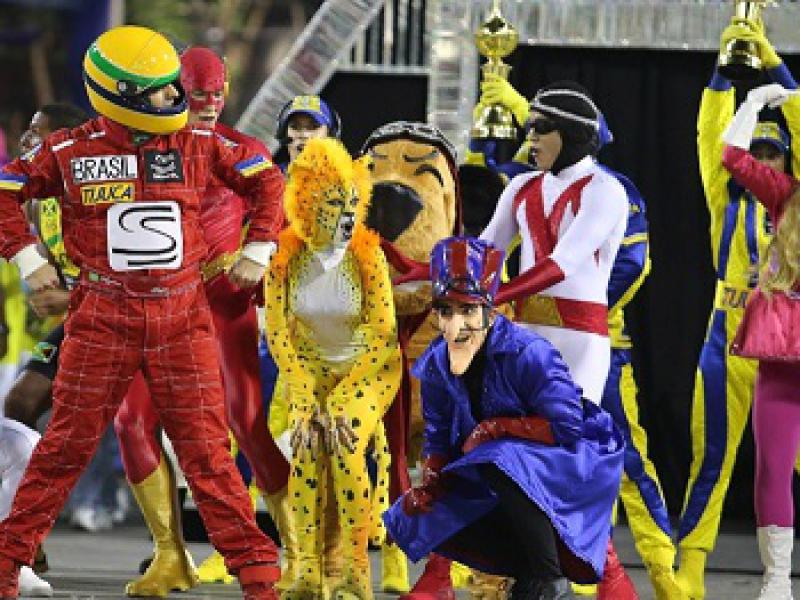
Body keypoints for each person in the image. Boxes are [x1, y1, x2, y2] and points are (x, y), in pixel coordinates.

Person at [0, 25, 284, 599]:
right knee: (64, 449)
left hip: (182, 319)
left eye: (172, 86)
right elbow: (6, 187)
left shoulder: (197, 142)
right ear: (120, 92)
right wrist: (27, 259)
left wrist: (259, 248)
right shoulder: (68, 150)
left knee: (207, 452)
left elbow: (267, 180)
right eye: (160, 90)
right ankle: (7, 564)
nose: (174, 97)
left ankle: (259, 576)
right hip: (101, 319)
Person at [474, 76, 683, 599]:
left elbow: (563, 263)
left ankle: (592, 578)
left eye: (540, 128)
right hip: (524, 336)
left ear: (569, 134)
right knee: (506, 456)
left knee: (568, 463)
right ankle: (542, 571)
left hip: (581, 342)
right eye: (529, 127)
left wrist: (491, 294)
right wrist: (433, 270)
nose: (529, 138)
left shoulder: (608, 190)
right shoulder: (521, 187)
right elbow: (484, 249)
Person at [110, 45, 291, 597]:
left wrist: (259, 251)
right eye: (197, 94)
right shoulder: (142, 148)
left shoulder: (242, 150)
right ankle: (171, 555)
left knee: (246, 422)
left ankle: (301, 553)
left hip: (222, 302)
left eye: (217, 94)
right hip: (157, 304)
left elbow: (276, 202)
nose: (209, 104)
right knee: (130, 422)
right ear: (172, 92)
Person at [383, 236, 624, 600]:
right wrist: (430, 484)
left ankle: (549, 579)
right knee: (409, 515)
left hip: (575, 462)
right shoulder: (436, 363)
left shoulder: (529, 353)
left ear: (490, 311)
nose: (455, 325)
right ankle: (524, 575)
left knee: (499, 457)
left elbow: (568, 426)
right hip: (501, 467)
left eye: (468, 311)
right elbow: (438, 437)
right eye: (445, 311)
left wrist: (497, 428)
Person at [675, 19, 800, 600]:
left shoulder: (792, 202)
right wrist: (725, 70)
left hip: (789, 340)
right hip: (729, 335)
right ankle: (693, 564)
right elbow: (713, 136)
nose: (765, 161)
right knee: (712, 458)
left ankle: (780, 574)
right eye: (759, 152)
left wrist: (777, 68)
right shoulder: (722, 194)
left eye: (775, 153)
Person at [264, 137, 401, 599]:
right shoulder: (284, 258)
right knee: (306, 447)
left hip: (368, 368)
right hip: (311, 367)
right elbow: (278, 334)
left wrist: (340, 399)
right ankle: (308, 570)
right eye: (333, 204)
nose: (346, 216)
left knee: (343, 441)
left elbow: (382, 334)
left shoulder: (369, 256)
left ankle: (354, 573)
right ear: (306, 205)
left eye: (352, 204)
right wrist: (304, 393)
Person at [718, 81, 800, 600]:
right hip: (785, 357)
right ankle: (775, 580)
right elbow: (732, 156)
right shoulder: (786, 196)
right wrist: (750, 104)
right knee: (772, 466)